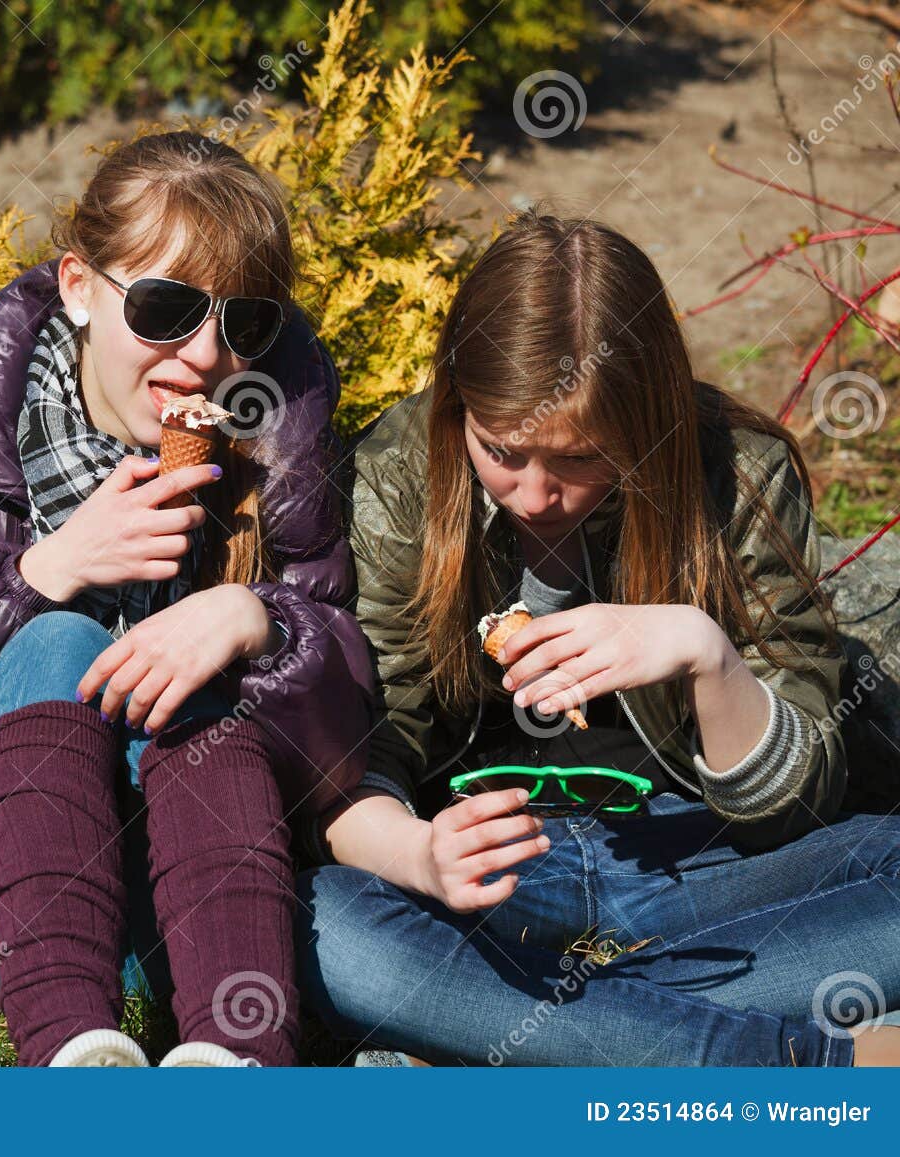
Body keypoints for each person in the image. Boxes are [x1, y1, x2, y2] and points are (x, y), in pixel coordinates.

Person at [0, 133, 380, 1066]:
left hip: (212, 896)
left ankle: (234, 1060)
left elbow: (349, 744)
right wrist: (36, 573)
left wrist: (257, 623)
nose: (205, 357)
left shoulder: (276, 423)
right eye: (165, 308)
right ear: (80, 287)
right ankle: (73, 1056)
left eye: (243, 323)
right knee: (55, 643)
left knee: (196, 660)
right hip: (8, 879)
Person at [302, 212, 900, 1066]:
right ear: (458, 404)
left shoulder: (739, 472)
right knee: (325, 920)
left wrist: (705, 653)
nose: (535, 494)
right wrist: (423, 855)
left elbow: (798, 806)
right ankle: (816, 1066)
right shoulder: (400, 473)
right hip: (496, 869)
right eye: (502, 451)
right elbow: (365, 754)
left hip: (700, 864)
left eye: (581, 459)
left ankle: (543, 1024)